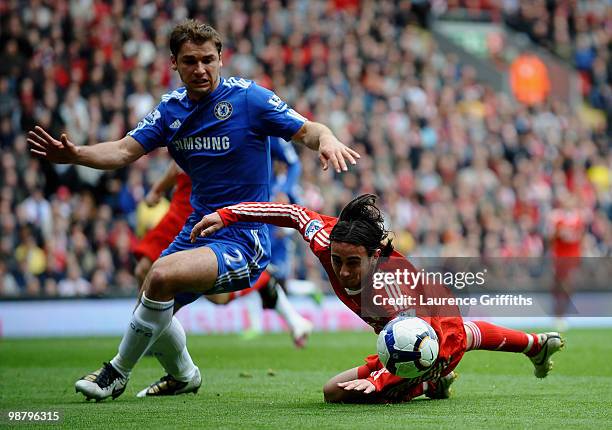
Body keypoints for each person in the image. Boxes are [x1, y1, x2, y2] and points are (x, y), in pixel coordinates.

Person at [27, 19, 359, 402]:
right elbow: (122, 150)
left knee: (160, 275)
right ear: (174, 64)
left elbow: (308, 130)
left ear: (221, 59)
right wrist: (76, 155)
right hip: (198, 230)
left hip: (244, 236)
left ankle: (115, 374)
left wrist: (329, 139)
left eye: (207, 60)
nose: (200, 69)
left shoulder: (249, 100)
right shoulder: (170, 111)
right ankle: (184, 375)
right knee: (150, 304)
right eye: (190, 61)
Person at [192, 194, 565, 403]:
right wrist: (227, 215)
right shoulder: (327, 240)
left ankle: (431, 379)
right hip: (422, 318)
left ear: (375, 256)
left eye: (353, 263)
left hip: (434, 330)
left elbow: (411, 343)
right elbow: (290, 212)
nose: (343, 271)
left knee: (337, 393)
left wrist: (384, 381)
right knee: (336, 392)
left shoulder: (390, 292)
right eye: (337, 261)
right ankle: (534, 346)